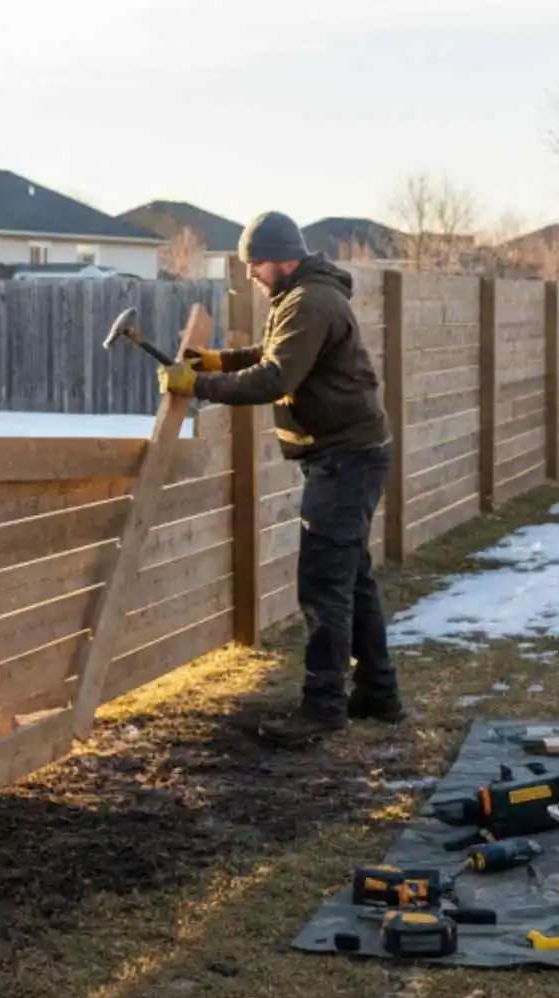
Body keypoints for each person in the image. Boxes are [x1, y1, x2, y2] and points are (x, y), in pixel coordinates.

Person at [159, 211, 406, 746]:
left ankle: (322, 708)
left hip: (345, 460)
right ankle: (378, 694)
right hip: (348, 455)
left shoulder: (310, 301)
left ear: (282, 257)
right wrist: (219, 362)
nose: (251, 274)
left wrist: (196, 387)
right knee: (352, 579)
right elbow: (277, 355)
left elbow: (275, 378)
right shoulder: (300, 297)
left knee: (323, 584)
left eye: (256, 264)